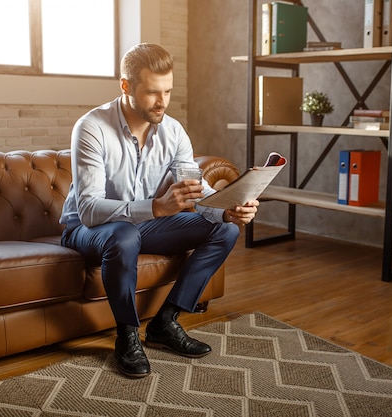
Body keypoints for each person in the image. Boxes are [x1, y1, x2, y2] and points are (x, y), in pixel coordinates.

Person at [59, 43, 258, 378]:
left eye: (167, 91)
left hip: (143, 226)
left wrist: (228, 208)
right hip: (86, 229)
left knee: (225, 229)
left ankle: (166, 322)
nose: (162, 102)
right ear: (126, 86)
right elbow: (90, 209)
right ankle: (126, 335)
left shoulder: (173, 131)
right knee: (122, 235)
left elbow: (196, 188)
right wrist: (155, 206)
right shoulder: (92, 127)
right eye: (153, 92)